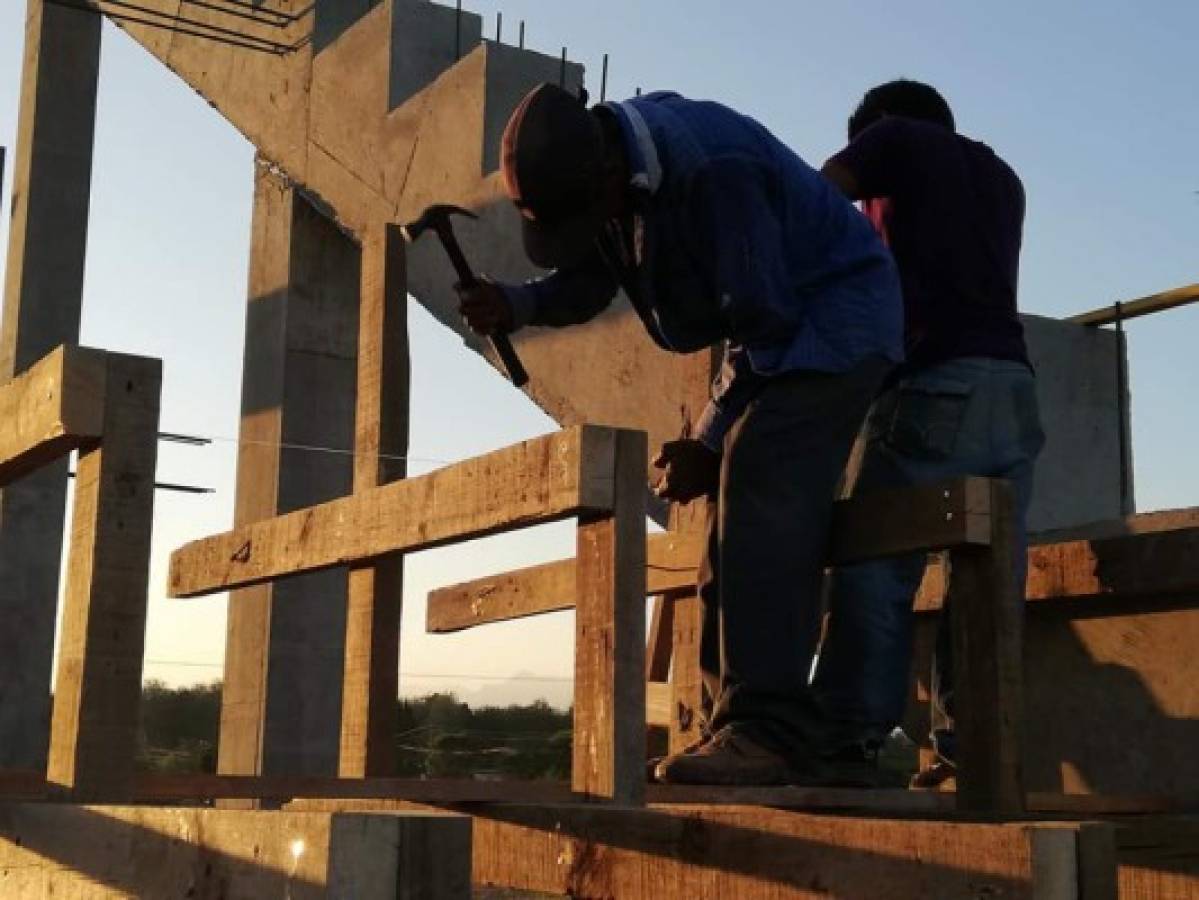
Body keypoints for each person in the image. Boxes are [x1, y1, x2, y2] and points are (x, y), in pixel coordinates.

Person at [457, 83, 902, 785]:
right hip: (777, 329)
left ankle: (769, 729)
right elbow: (590, 281)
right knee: (742, 488)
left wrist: (710, 438)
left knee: (760, 473)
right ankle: (738, 725)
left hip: (835, 323)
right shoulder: (615, 174)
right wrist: (514, 304)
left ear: (606, 173)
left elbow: (766, 322)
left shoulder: (714, 171)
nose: (595, 227)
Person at [812, 79, 1045, 786]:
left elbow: (819, 198)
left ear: (877, 126)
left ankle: (844, 743)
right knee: (982, 578)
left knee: (874, 564)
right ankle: (966, 756)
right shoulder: (1001, 177)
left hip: (935, 382)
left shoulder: (898, 138)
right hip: (1012, 389)